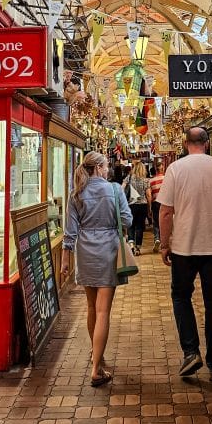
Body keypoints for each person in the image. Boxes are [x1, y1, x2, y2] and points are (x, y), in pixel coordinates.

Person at [157, 126, 212, 381]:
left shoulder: (175, 169)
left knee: (181, 297)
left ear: (186, 144)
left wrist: (164, 244)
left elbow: (165, 212)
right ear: (207, 143)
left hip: (183, 248)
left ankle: (191, 351)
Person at [61, 151, 132, 387]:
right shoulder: (114, 190)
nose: (108, 170)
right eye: (106, 166)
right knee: (103, 312)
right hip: (108, 250)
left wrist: (64, 260)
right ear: (99, 168)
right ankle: (96, 369)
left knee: (91, 308)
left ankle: (96, 355)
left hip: (85, 252)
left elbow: (70, 231)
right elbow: (127, 219)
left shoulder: (76, 193)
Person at [125, 160, 150, 254]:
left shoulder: (129, 178)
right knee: (140, 226)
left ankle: (131, 243)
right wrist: (149, 207)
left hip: (131, 205)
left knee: (131, 225)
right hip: (142, 205)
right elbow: (148, 195)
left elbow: (122, 189)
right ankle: (138, 247)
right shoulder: (145, 180)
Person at [148, 160, 166, 252]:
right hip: (165, 202)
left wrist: (149, 207)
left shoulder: (151, 181)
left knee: (156, 222)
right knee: (165, 221)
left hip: (156, 203)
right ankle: (164, 241)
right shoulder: (166, 179)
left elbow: (149, 195)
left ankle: (157, 238)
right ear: (162, 169)